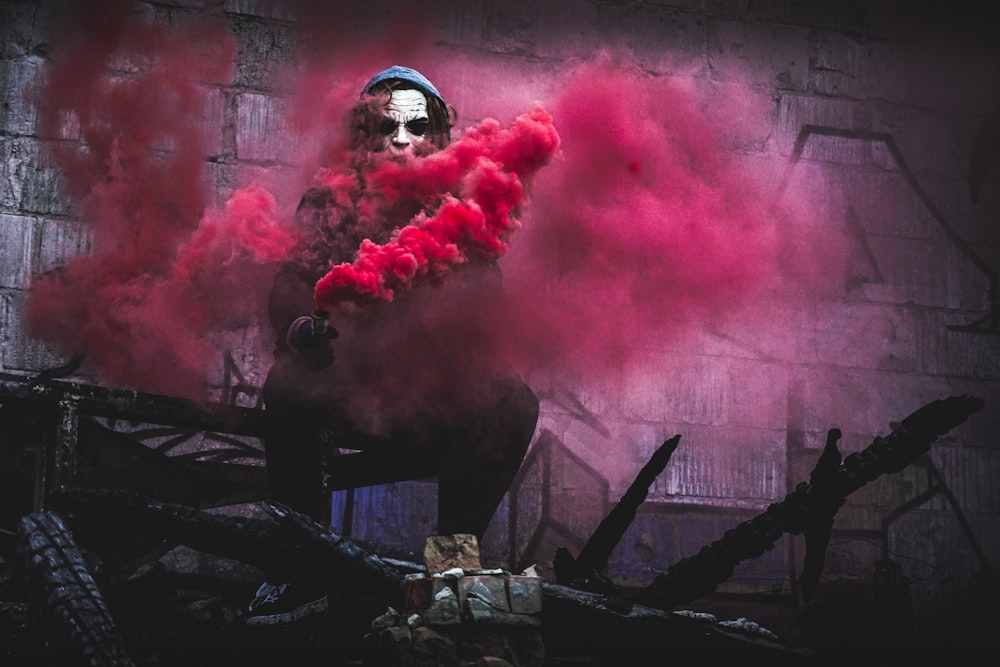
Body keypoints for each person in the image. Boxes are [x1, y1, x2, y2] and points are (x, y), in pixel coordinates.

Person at [246, 66, 540, 625]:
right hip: (345, 384)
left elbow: (488, 303)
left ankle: (450, 568)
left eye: (417, 127)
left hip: (428, 395)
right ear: (365, 134)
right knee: (284, 388)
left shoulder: (460, 208)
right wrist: (303, 330)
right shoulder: (330, 200)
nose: (402, 140)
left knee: (512, 402)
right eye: (387, 127)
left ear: (437, 136)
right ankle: (299, 565)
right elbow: (291, 280)